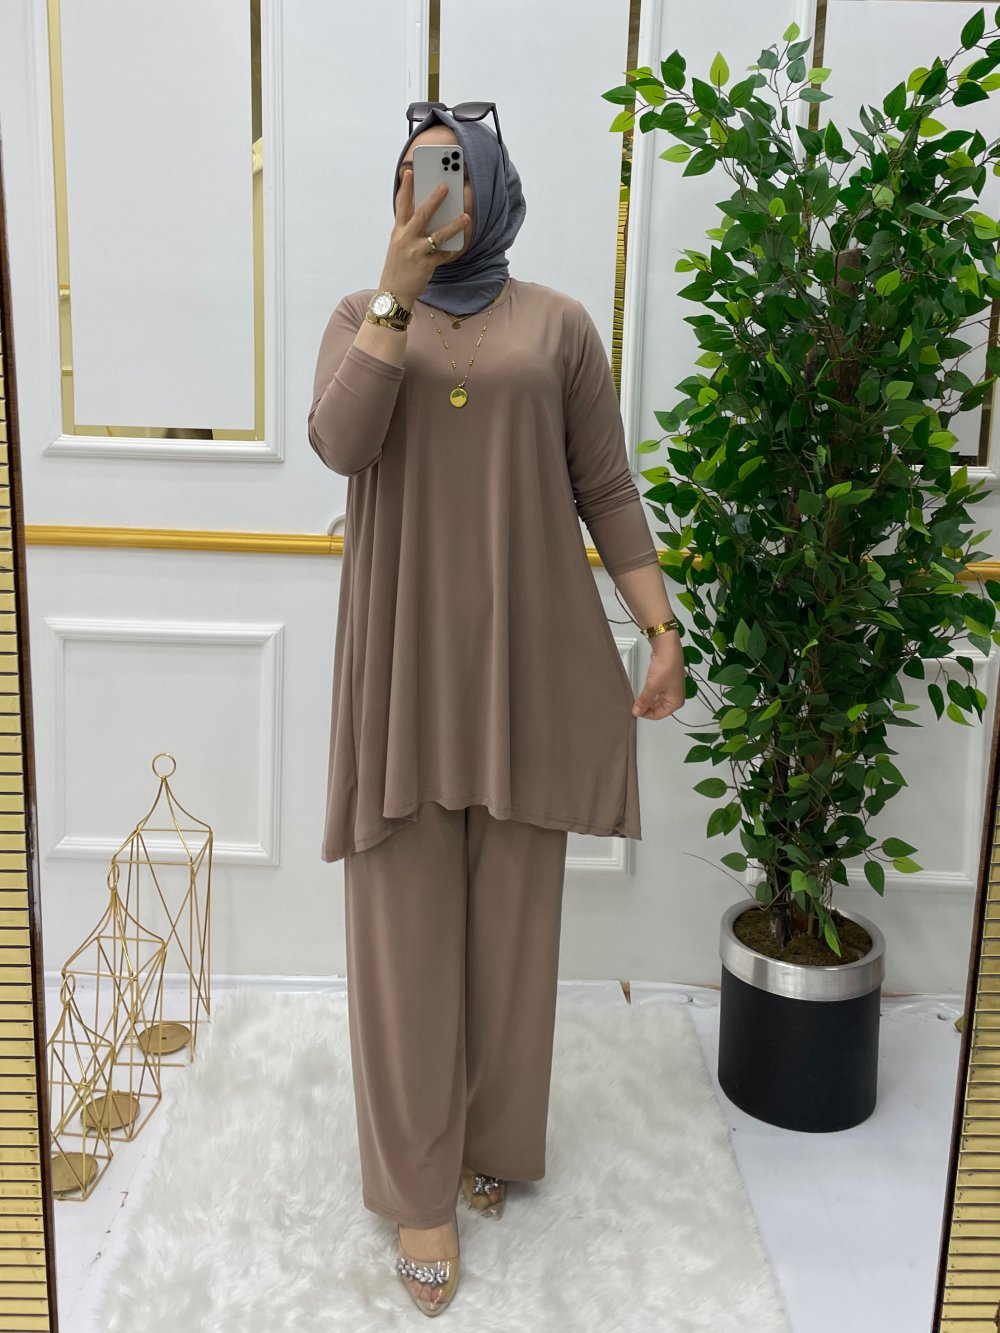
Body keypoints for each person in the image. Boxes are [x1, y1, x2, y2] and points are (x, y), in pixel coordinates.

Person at [307, 103, 685, 1316]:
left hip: (528, 663)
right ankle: (416, 1186)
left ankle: (486, 1139)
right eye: (414, 172)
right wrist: (394, 296)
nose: (433, 191)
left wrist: (661, 628)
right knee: (405, 938)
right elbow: (339, 444)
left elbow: (603, 486)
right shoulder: (358, 316)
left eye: (455, 171)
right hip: (404, 671)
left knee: (514, 934)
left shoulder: (559, 325)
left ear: (497, 185)